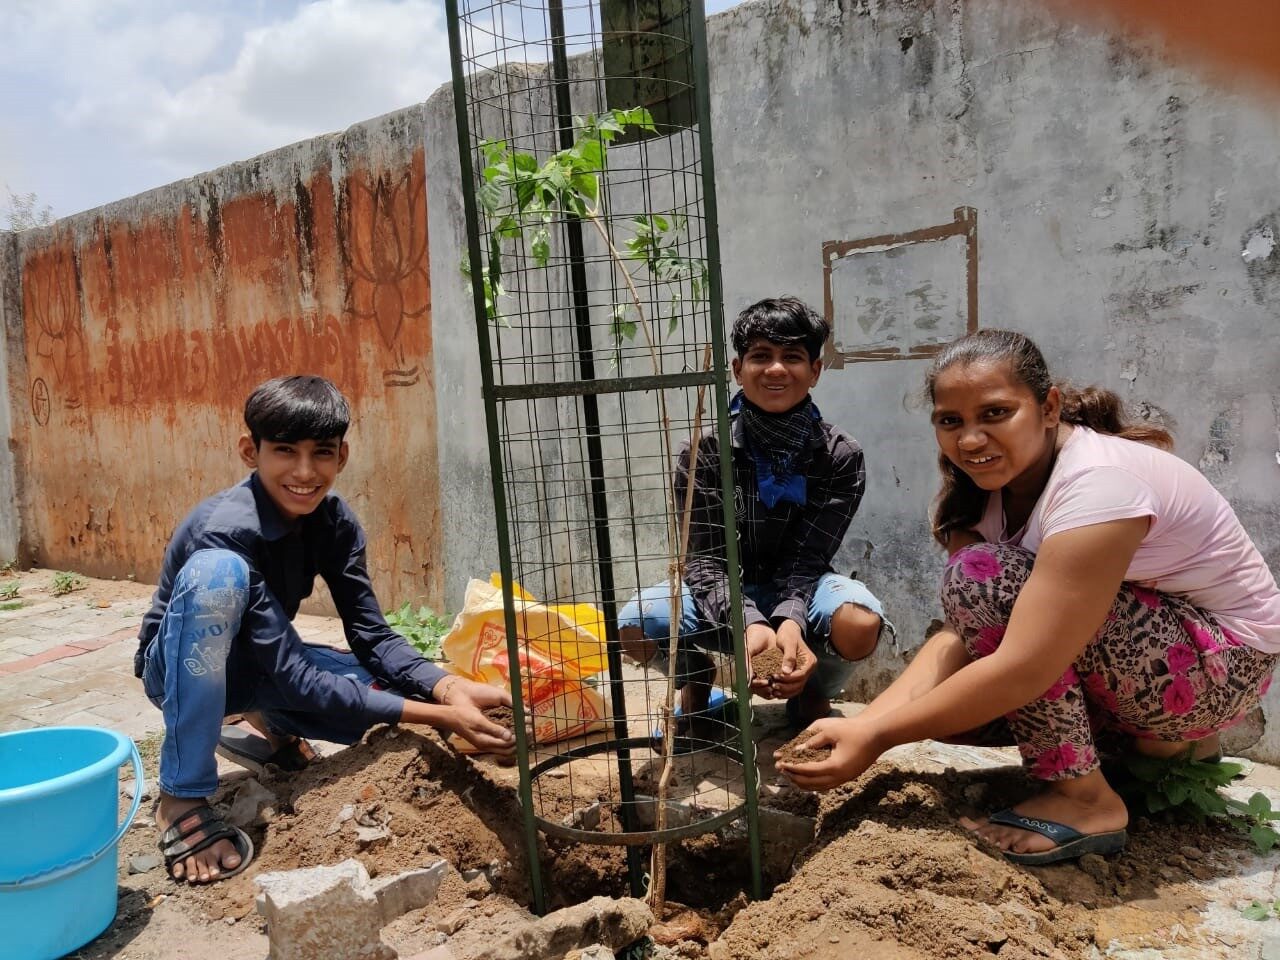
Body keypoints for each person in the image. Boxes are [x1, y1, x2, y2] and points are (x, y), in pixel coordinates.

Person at [778, 329, 1280, 865]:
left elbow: (1026, 665)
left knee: (981, 584)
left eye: (995, 413)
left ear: (1049, 408)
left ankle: (1085, 798)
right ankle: (1153, 753)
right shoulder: (988, 495)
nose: (971, 440)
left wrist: (879, 737)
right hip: (1158, 658)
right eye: (951, 421)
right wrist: (865, 724)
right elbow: (959, 637)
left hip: (1222, 668)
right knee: (953, 707)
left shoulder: (1099, 483)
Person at [135, 375, 514, 885]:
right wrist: (440, 714)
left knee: (395, 709)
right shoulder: (223, 530)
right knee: (217, 574)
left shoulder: (334, 522)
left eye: (322, 453)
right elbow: (297, 676)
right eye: (285, 451)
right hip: (180, 670)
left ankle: (265, 717)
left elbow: (372, 636)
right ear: (250, 451)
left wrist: (447, 688)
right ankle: (181, 796)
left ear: (343, 456)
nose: (305, 472)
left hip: (266, 663)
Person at [617, 297, 890, 739]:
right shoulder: (705, 453)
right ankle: (695, 677)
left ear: (815, 371)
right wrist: (750, 621)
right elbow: (703, 561)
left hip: (802, 585)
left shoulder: (839, 455)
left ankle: (813, 689)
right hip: (720, 586)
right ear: (737, 369)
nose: (776, 369)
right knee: (635, 625)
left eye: (792, 357)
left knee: (859, 622)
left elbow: (808, 557)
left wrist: (789, 621)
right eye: (761, 356)